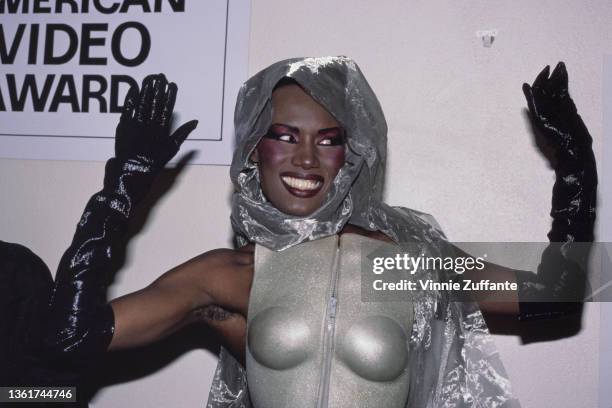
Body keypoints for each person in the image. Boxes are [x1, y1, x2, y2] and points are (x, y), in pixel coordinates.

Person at [41, 57, 596, 407]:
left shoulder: (397, 264)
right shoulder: (229, 276)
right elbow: (72, 339)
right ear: (253, 148)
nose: (306, 159)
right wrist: (122, 187)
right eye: (284, 135)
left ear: (350, 154)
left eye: (328, 139)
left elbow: (556, 297)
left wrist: (576, 169)